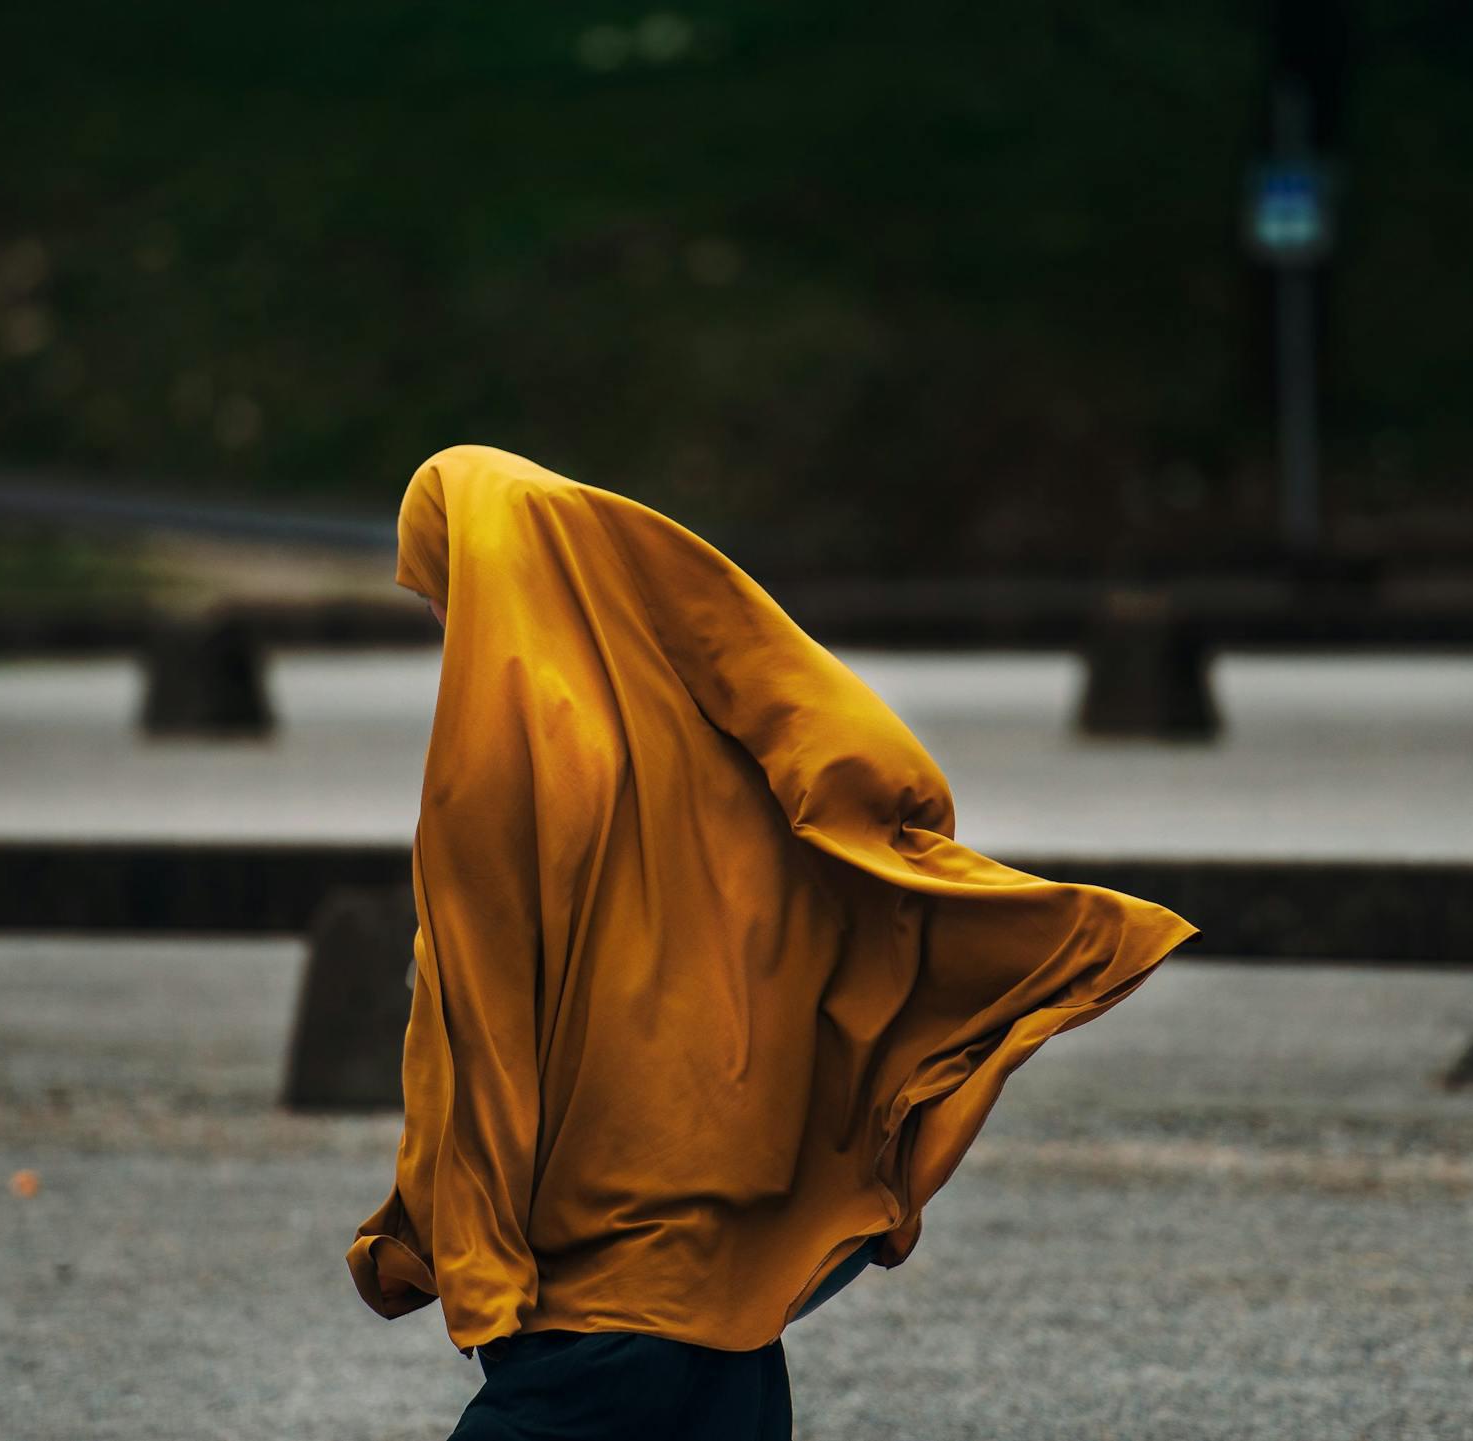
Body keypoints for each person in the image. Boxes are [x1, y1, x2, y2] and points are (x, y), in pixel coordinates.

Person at [355, 445, 1201, 1439]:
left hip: (594, 1276)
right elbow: (870, 774)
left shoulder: (495, 762)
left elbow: (481, 1038)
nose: (440, 621)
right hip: (728, 1264)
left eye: (440, 591)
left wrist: (463, 1255)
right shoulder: (716, 733)